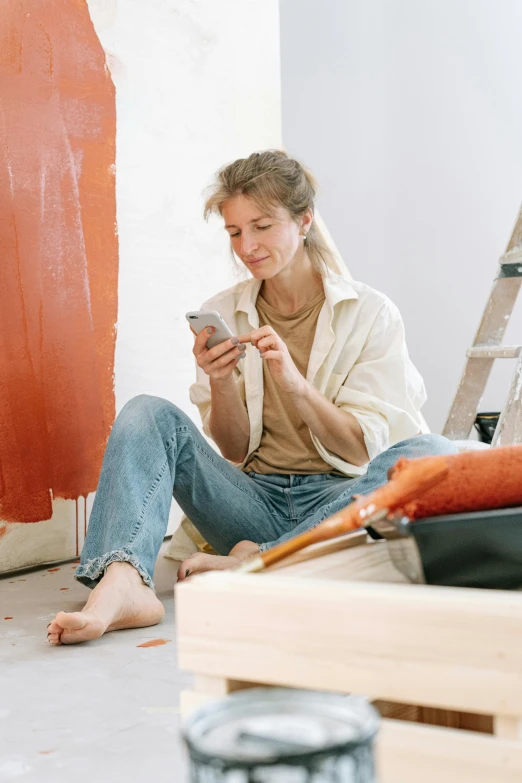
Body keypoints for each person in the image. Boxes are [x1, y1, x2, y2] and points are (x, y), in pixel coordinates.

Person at [47, 150, 458, 645]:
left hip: (335, 500)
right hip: (251, 500)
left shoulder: (370, 314)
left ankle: (261, 558)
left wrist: (295, 384)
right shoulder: (222, 311)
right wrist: (221, 381)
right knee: (146, 414)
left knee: (431, 451)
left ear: (304, 220)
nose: (247, 246)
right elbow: (236, 451)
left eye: (261, 226)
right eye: (235, 232)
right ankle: (123, 583)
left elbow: (360, 450)